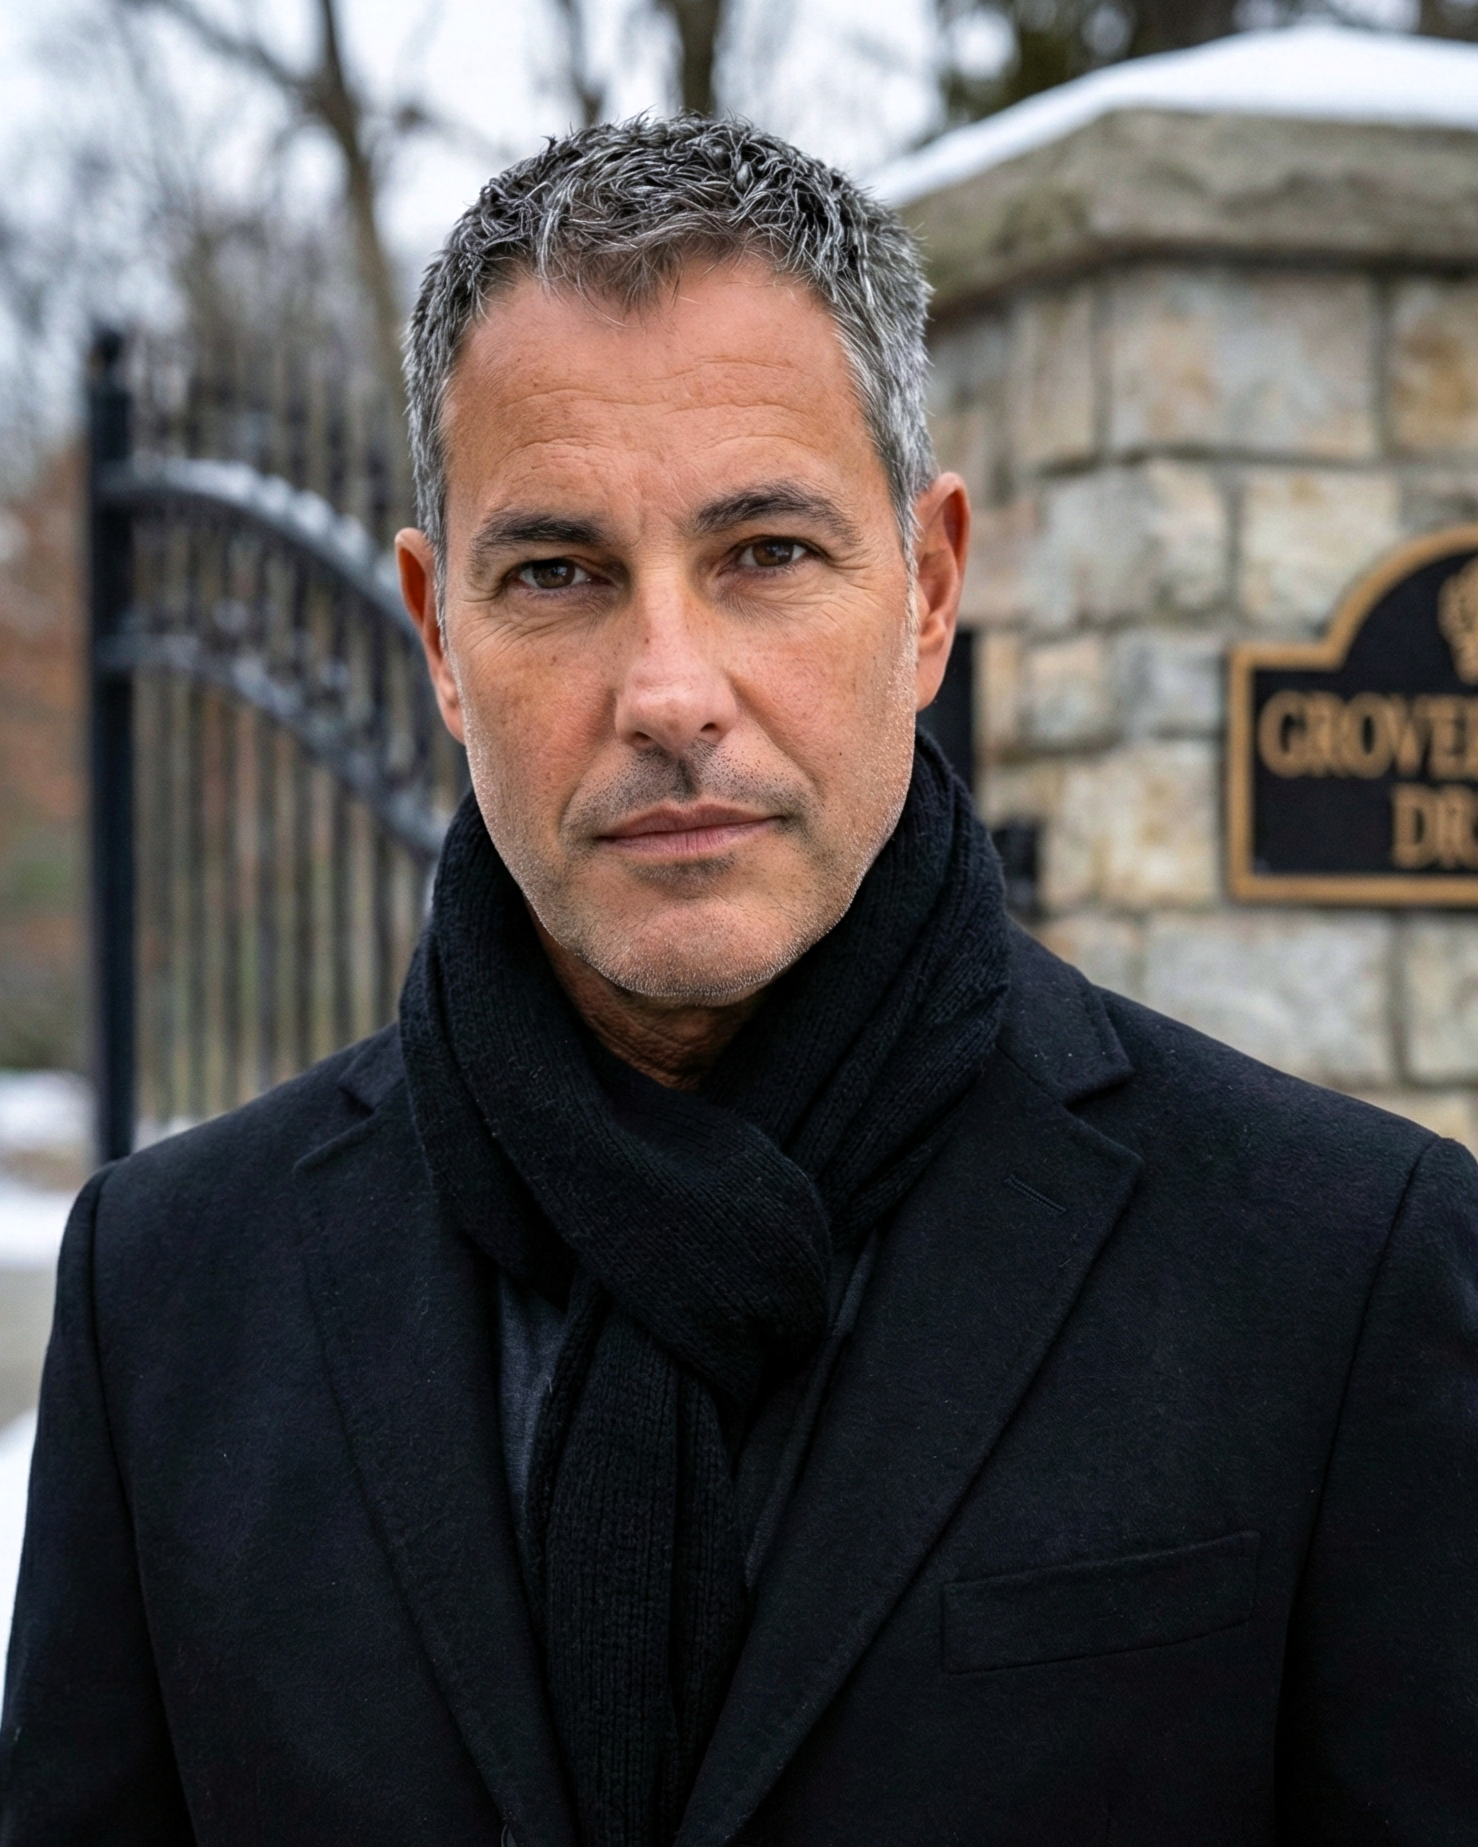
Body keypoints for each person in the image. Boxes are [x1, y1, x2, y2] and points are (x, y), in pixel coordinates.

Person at [4, 115, 1477, 1847]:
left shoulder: (1330, 1271)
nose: (669, 688)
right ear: (437, 636)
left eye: (764, 554)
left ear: (926, 591)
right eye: (557, 574)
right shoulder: (170, 1293)